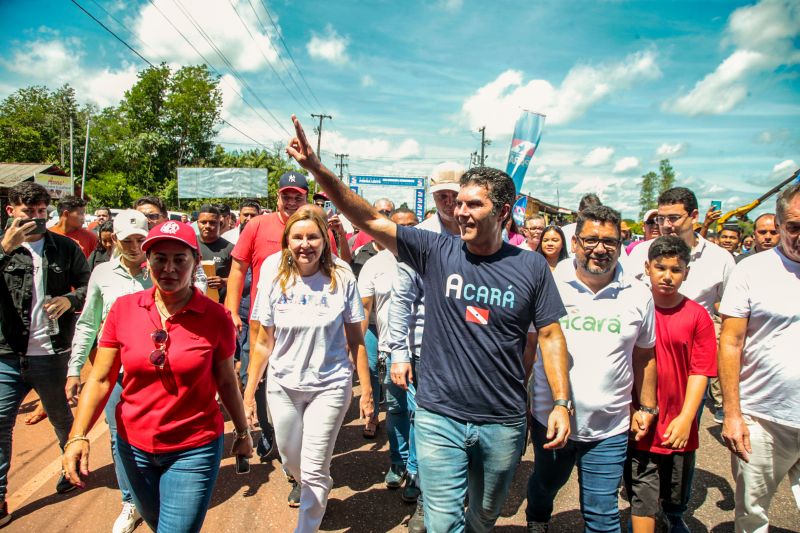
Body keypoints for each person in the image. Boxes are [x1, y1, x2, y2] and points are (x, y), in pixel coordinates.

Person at [286, 115, 571, 532]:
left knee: (484, 516)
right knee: (440, 522)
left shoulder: (530, 267)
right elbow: (367, 218)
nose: (461, 212)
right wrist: (317, 169)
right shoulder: (435, 250)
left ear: (504, 212)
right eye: (459, 203)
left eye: (474, 204)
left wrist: (561, 401)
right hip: (439, 415)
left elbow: (549, 335)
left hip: (503, 421)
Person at [61, 220, 252, 533]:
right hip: (132, 448)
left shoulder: (216, 317)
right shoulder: (123, 309)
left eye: (180, 259)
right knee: (157, 524)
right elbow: (100, 379)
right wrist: (78, 435)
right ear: (147, 261)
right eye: (160, 258)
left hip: (194, 447)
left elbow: (227, 379)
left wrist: (243, 432)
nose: (169, 268)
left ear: (194, 263)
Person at [526, 205, 657, 533]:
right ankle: (537, 517)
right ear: (575, 243)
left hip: (609, 426)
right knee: (546, 484)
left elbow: (645, 354)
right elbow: (530, 345)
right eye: (591, 240)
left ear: (621, 243)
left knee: (602, 514)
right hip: (551, 419)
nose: (600, 249)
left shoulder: (639, 294)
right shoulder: (548, 282)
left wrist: (647, 406)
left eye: (610, 242)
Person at [244, 207, 372, 533]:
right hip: (282, 385)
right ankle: (314, 485)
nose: (305, 244)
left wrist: (368, 392)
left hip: (330, 385)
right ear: (287, 241)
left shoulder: (341, 276)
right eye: (297, 237)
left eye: (312, 236)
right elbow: (261, 342)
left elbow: (356, 339)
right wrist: (247, 395)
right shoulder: (274, 276)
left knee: (314, 468)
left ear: (324, 241)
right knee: (290, 459)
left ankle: (307, 523)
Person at [224, 171, 346, 502]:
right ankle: (272, 434)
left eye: (297, 196)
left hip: (307, 325)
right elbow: (238, 268)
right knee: (260, 381)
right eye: (285, 195)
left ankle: (303, 472)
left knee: (302, 398)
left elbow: (339, 268)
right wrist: (231, 309)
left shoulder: (318, 228)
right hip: (262, 322)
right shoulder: (257, 225)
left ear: (305, 198)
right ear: (276, 196)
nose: (291, 201)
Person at [0, 182, 90, 527]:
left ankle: (72, 469)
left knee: (62, 419)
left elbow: (88, 286)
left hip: (52, 354)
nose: (36, 219)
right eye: (28, 212)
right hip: (7, 354)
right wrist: (5, 249)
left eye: (41, 212)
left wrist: (70, 299)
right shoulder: (4, 246)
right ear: (11, 212)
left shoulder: (65, 248)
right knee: (0, 424)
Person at [718, 183, 800, 533]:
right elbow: (731, 343)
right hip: (763, 419)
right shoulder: (751, 271)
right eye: (795, 226)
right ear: (780, 225)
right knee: (753, 514)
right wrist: (733, 414)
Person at [386, 161, 464, 532]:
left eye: (454, 194)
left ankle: (452, 498)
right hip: (425, 349)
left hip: (469, 352)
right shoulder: (419, 237)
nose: (449, 202)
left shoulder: (477, 232)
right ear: (432, 197)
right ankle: (425, 497)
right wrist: (399, 354)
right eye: (442, 196)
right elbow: (401, 300)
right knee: (430, 427)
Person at [623, 236, 717, 533]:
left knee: (675, 495)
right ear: (646, 268)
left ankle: (673, 516)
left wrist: (687, 417)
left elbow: (700, 371)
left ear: (687, 272)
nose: (667, 275)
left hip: (678, 426)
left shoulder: (698, 316)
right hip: (641, 423)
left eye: (675, 269)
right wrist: (628, 409)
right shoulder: (632, 308)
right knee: (642, 496)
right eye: (660, 267)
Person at [66, 209, 150, 533]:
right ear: (114, 239)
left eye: (139, 240)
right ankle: (131, 502)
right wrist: (75, 370)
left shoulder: (160, 271)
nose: (133, 246)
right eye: (126, 240)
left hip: (154, 372)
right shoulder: (101, 274)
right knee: (119, 438)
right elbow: (88, 324)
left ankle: (156, 491)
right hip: (114, 371)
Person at [624, 187, 735, 427]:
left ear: (694, 216)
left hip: (690, 366)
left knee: (683, 431)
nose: (666, 225)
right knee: (639, 434)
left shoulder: (721, 259)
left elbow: (730, 317)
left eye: (673, 218)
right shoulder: (640, 253)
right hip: (643, 359)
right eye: (661, 218)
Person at [358, 208, 419, 489]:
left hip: (425, 352)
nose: (405, 232)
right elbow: (364, 312)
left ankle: (417, 472)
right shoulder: (374, 264)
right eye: (399, 226)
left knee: (421, 413)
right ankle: (398, 462)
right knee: (396, 410)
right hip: (389, 352)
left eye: (411, 226)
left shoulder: (431, 258)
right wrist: (355, 354)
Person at [134, 196, 208, 293]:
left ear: (165, 218)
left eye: (152, 216)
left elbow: (200, 278)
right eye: (141, 217)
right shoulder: (124, 245)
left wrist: (190, 301)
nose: (146, 221)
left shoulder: (182, 240)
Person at [197, 204, 234, 303]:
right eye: (203, 222)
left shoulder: (230, 248)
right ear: (197, 223)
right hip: (191, 304)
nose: (207, 226)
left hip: (218, 306)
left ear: (220, 224)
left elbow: (238, 278)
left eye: (212, 222)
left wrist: (223, 282)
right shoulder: (189, 244)